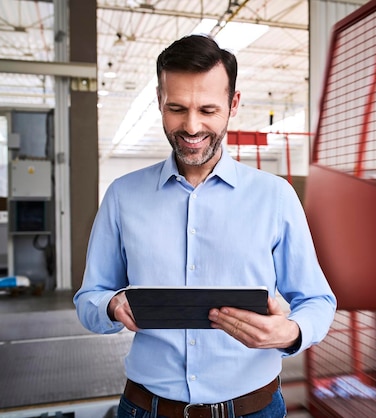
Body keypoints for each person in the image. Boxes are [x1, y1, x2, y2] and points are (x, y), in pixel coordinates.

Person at [74, 34, 337, 418]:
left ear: (233, 104)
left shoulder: (275, 197)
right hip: (147, 408)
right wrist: (111, 305)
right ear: (159, 103)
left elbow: (318, 300)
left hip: (254, 409)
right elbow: (88, 297)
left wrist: (292, 332)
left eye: (208, 110)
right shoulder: (122, 196)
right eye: (176, 108)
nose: (191, 126)